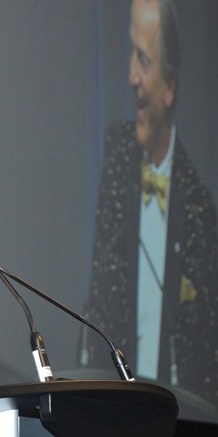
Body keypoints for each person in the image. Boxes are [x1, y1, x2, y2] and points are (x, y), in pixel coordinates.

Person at [80, 0, 218, 406]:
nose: (131, 76)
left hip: (180, 414)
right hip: (109, 411)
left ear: (170, 87)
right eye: (129, 54)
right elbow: (100, 295)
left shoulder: (200, 207)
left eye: (144, 60)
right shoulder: (118, 151)